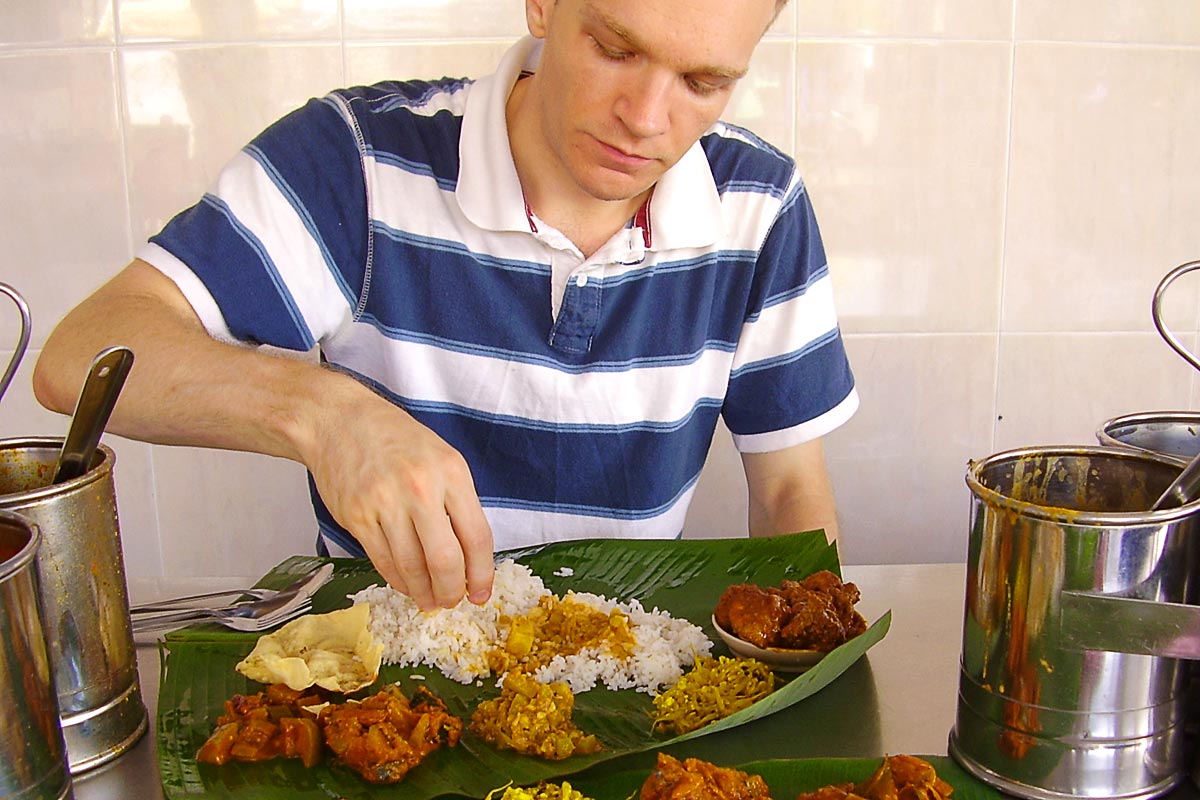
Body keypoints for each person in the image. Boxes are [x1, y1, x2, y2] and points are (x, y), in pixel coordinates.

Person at [33, 0, 858, 611]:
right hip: (389, 675)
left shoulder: (762, 203)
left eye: (703, 82)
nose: (645, 120)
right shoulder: (356, 159)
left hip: (622, 682)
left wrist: (804, 636)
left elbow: (789, 493)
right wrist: (328, 417)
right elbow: (81, 355)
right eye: (613, 48)